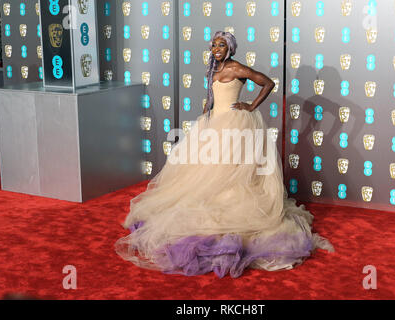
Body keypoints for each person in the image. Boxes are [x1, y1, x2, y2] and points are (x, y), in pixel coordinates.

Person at [115, 31, 334, 278]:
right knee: (207, 172)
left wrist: (251, 106)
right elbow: (215, 96)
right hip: (213, 124)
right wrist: (207, 109)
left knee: (230, 170)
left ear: (230, 48)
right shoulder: (214, 69)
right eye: (214, 45)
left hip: (232, 125)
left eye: (221, 45)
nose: (216, 48)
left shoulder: (236, 68)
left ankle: (231, 206)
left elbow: (267, 83)